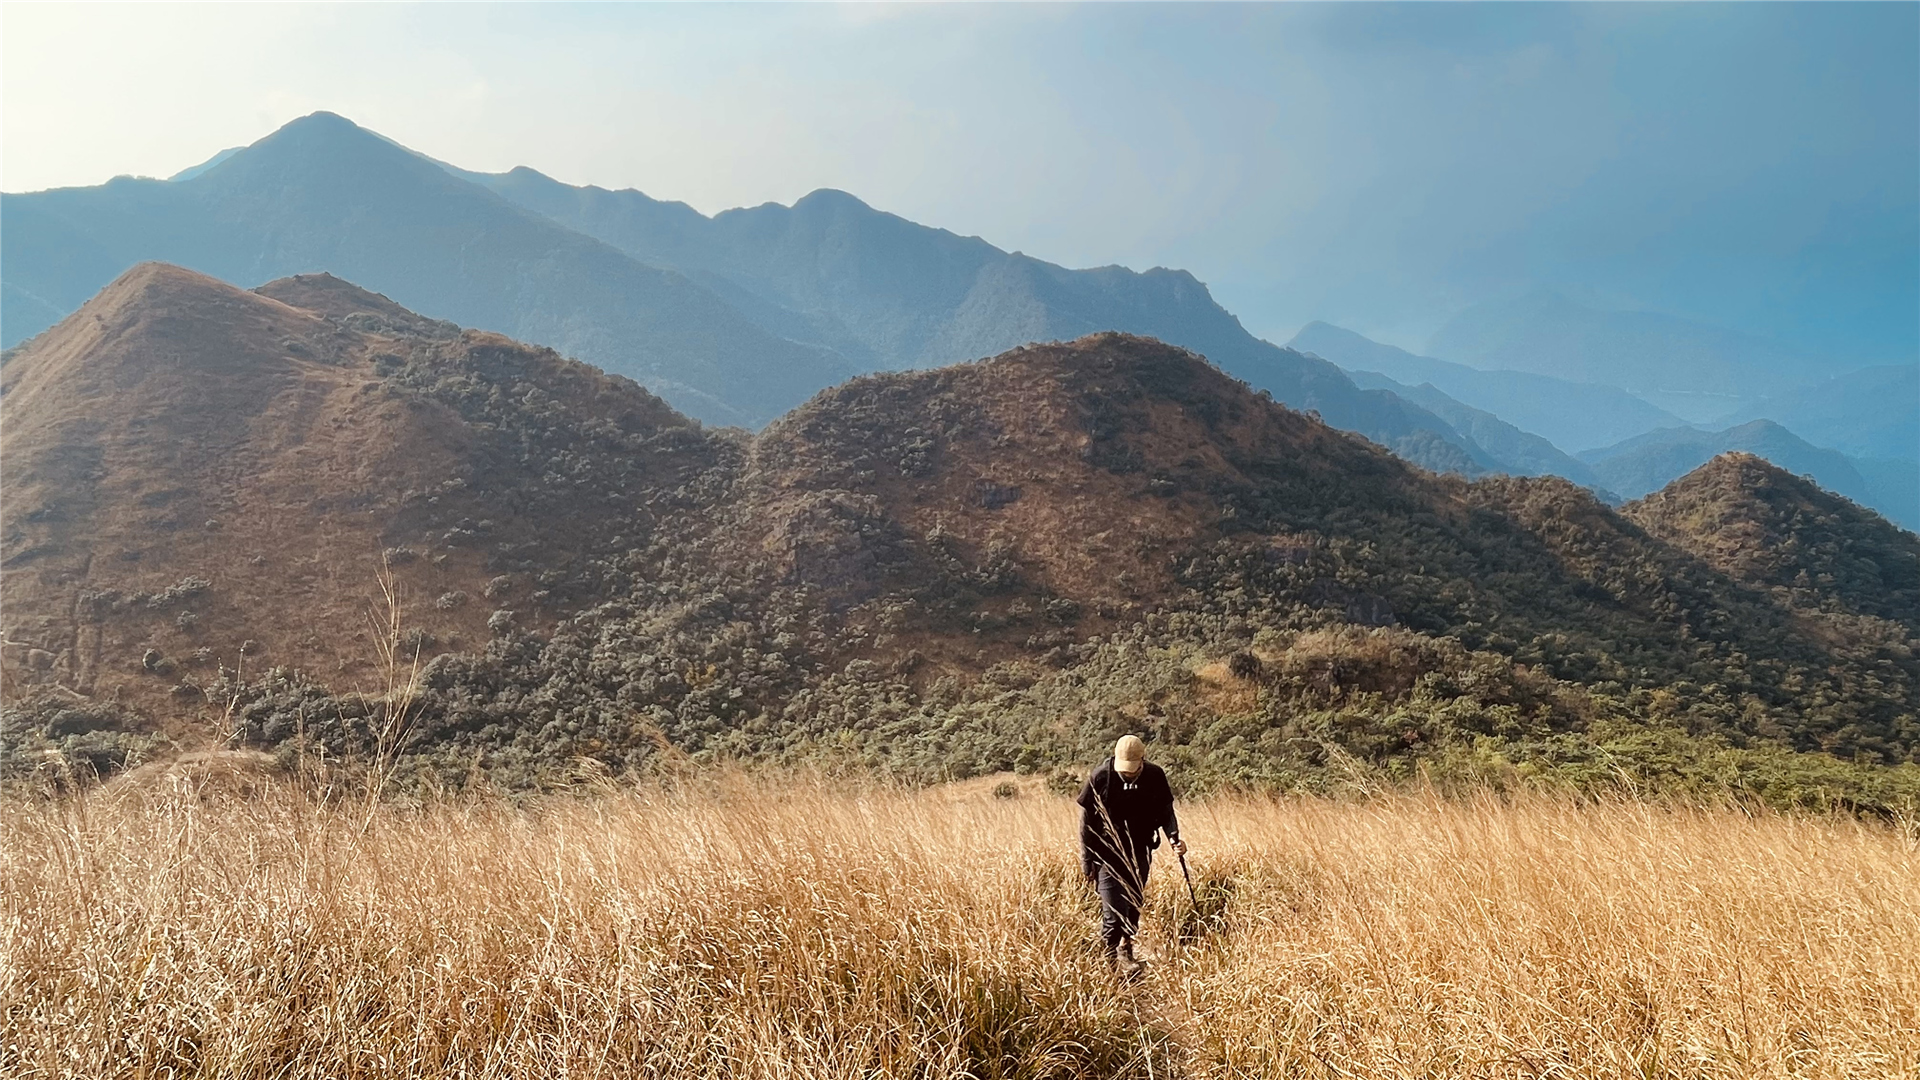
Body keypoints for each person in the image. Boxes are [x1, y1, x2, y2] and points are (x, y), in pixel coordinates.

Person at [1077, 734, 1183, 973]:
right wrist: (1087, 861)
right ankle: (1110, 963)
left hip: (1141, 850)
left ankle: (1127, 948)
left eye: (1133, 770)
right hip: (1107, 855)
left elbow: (1166, 812)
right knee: (1113, 912)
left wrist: (1174, 837)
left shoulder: (1155, 776)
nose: (1128, 774)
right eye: (1124, 770)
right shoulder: (1101, 777)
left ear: (1143, 760)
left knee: (1134, 902)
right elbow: (1085, 825)